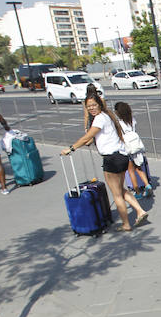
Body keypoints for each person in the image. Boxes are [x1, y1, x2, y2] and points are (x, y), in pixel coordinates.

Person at [61, 93, 148, 232]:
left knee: (117, 194)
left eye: (94, 105)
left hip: (111, 159)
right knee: (120, 189)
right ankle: (140, 210)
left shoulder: (99, 119)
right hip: (121, 156)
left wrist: (71, 148)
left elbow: (87, 137)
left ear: (99, 105)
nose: (91, 108)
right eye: (88, 106)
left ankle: (126, 224)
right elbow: (97, 137)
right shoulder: (108, 115)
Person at [113, 101, 153, 198]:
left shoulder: (119, 124)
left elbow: (119, 137)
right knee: (139, 168)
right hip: (136, 147)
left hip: (128, 149)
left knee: (131, 171)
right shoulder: (132, 120)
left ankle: (137, 192)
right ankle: (147, 185)